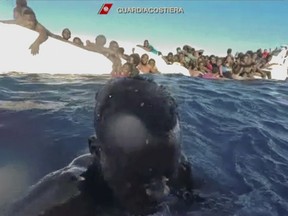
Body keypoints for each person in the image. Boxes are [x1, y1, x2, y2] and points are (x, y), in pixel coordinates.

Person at [18, 77, 197, 216]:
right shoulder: (61, 202)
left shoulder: (178, 168)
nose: (160, 192)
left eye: (167, 175)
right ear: (96, 151)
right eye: (138, 178)